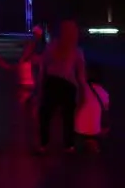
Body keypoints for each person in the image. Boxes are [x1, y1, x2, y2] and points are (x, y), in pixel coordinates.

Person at [35, 20, 88, 154]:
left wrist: (39, 88)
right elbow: (81, 76)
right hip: (68, 85)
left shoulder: (52, 47)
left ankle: (44, 143)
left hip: (53, 83)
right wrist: (84, 92)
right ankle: (68, 145)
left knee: (46, 114)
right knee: (67, 116)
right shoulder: (76, 51)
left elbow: (43, 69)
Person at [74, 62, 110, 152]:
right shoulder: (105, 94)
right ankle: (92, 141)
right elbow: (105, 112)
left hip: (78, 130)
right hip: (95, 130)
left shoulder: (80, 88)